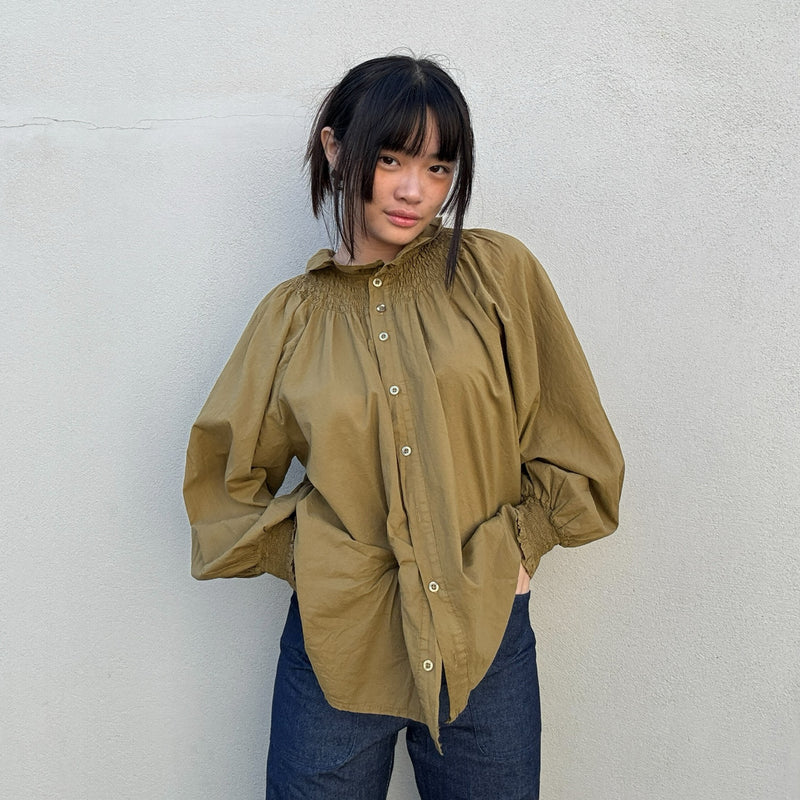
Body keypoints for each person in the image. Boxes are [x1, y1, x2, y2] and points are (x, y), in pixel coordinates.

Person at [183, 54, 624, 800]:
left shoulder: (496, 275)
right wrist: (310, 560)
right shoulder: (292, 319)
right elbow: (222, 478)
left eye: (438, 167)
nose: (414, 190)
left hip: (484, 636)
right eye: (390, 159)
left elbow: (569, 431)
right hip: (337, 650)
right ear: (335, 150)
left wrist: (523, 543)